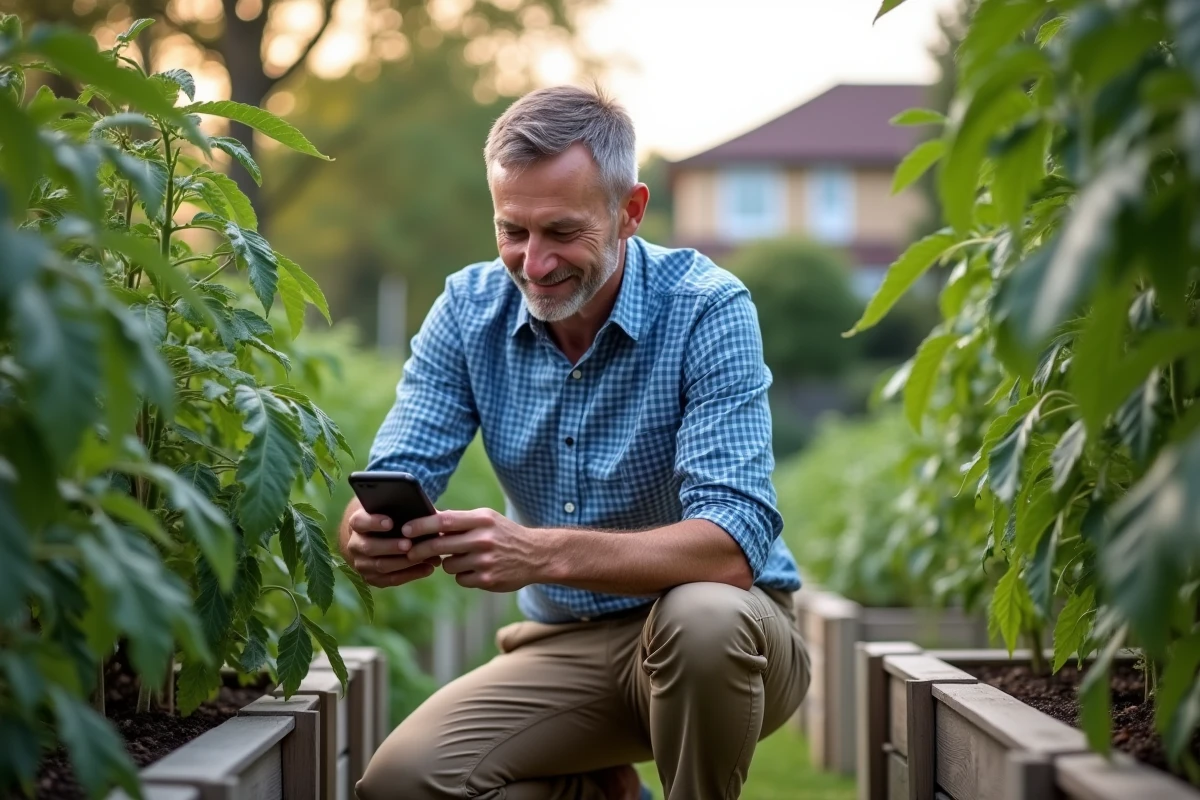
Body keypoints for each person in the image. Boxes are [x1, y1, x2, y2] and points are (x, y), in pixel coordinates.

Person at [342, 85, 810, 800]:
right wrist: (369, 535)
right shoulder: (466, 312)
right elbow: (397, 467)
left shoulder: (708, 309)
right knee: (401, 785)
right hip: (567, 644)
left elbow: (731, 546)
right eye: (512, 231)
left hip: (729, 639)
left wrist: (541, 552)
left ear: (630, 212)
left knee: (702, 618)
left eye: (562, 232)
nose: (533, 262)